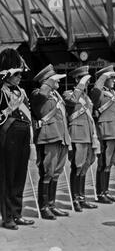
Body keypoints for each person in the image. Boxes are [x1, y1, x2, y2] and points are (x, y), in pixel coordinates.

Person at [30, 64, 71, 219]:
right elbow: (40, 97)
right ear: (46, 81)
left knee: (56, 173)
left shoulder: (56, 95)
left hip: (60, 137)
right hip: (48, 138)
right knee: (47, 173)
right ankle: (44, 206)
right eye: (54, 79)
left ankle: (52, 204)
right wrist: (49, 83)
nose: (57, 82)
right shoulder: (37, 94)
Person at [0, 48, 34, 229]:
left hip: (23, 134)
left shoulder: (21, 91)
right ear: (8, 74)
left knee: (20, 176)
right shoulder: (1, 91)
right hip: (8, 135)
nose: (20, 77)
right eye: (17, 73)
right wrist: (9, 109)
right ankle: (7, 217)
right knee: (8, 177)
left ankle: (17, 212)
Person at [63, 66, 99, 212]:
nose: (87, 82)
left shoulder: (86, 97)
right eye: (84, 79)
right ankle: (75, 198)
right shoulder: (68, 93)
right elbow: (71, 102)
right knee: (77, 166)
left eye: (87, 79)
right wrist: (81, 85)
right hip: (77, 134)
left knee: (85, 165)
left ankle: (82, 196)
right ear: (77, 79)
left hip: (89, 134)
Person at [89, 65, 115, 204]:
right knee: (103, 163)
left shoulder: (113, 93)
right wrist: (103, 77)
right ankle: (100, 193)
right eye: (112, 78)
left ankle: (106, 191)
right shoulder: (99, 92)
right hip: (106, 131)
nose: (114, 81)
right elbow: (95, 92)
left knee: (109, 163)